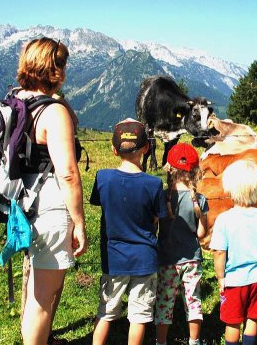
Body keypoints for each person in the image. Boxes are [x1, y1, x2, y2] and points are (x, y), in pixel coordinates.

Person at [17, 38, 88, 345]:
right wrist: (80, 221)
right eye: (64, 65)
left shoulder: (17, 101)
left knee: (38, 290)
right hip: (49, 207)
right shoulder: (53, 113)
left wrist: (57, 97)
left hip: (24, 202)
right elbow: (69, 174)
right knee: (42, 301)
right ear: (55, 68)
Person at [91, 119, 168, 345]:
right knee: (139, 315)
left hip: (113, 256)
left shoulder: (102, 178)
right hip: (144, 257)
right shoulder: (153, 184)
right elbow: (156, 218)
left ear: (114, 150)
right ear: (146, 148)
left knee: (106, 311)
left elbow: (101, 203)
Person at [210, 160, 257, 345]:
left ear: (229, 189)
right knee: (252, 318)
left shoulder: (224, 219)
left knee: (232, 322)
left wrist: (220, 277)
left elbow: (219, 253)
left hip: (234, 280)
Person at [155, 143, 210, 345]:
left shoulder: (162, 197)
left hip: (167, 258)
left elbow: (155, 227)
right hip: (192, 259)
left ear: (169, 168)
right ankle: (194, 341)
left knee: (164, 302)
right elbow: (201, 233)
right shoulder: (200, 199)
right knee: (193, 300)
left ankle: (161, 341)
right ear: (195, 170)